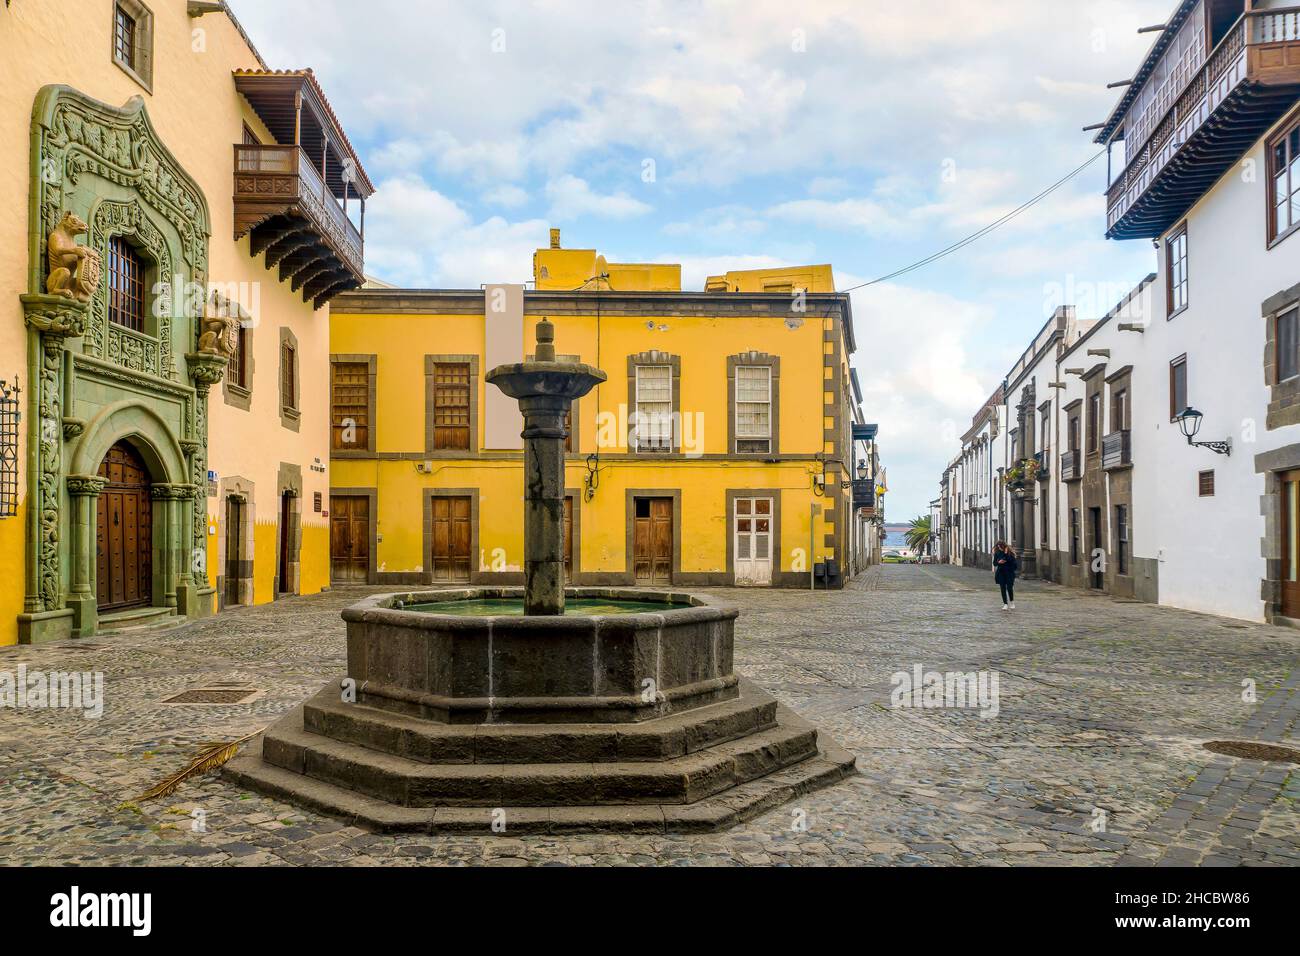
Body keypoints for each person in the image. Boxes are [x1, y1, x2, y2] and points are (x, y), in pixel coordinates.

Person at [993, 541, 1019, 610]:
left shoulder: (1010, 553)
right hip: (1001, 573)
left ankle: (1012, 602)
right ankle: (1005, 604)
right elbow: (994, 563)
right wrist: (999, 562)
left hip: (1009, 573)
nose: (999, 548)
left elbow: (1013, 564)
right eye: (998, 547)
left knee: (1009, 587)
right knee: (1002, 588)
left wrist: (1006, 554)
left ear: (1004, 546)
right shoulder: (997, 553)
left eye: (1000, 547)